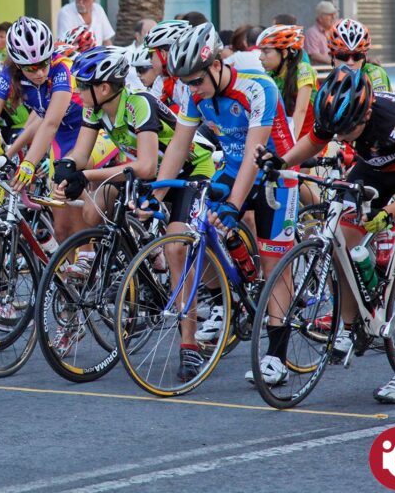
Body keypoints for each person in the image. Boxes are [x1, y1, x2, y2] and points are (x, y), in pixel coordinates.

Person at [256, 67, 395, 403]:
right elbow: (315, 140)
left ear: (366, 113)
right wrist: (282, 160)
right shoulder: (338, 115)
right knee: (338, 234)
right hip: (377, 166)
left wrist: (387, 214)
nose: (342, 139)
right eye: (337, 132)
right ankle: (350, 326)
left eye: (348, 131)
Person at [57, 46, 215, 373]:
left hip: (189, 170)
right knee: (94, 209)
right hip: (153, 172)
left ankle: (188, 343)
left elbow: (143, 166)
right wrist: (67, 167)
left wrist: (84, 175)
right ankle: (139, 268)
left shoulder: (137, 103)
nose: (77, 91)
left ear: (103, 88)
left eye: (82, 85)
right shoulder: (96, 108)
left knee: (176, 248)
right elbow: (82, 155)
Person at [153, 22, 298, 365]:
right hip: (232, 168)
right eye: (187, 83)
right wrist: (155, 196)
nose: (193, 89)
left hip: (273, 173)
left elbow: (254, 152)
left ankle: (276, 357)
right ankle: (223, 302)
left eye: (197, 81)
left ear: (217, 64)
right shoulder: (195, 93)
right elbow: (178, 146)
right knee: (192, 235)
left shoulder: (258, 88)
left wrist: (234, 204)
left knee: (274, 264)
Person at [0, 17, 87, 245]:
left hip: (89, 131)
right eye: (31, 68)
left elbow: (50, 122)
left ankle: (92, 254)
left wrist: (29, 163)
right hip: (61, 138)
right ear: (18, 65)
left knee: (79, 201)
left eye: (43, 63)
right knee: (61, 230)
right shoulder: (9, 75)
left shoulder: (62, 68)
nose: (40, 72)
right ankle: (72, 277)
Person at [257, 25, 316, 140]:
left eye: (266, 52)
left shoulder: (303, 70)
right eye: (261, 52)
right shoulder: (269, 75)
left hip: (308, 140)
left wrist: (290, 144)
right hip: (284, 138)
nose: (260, 57)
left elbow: (301, 110)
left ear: (284, 53)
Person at [327, 18, 391, 92]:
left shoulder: (374, 74)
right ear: (333, 57)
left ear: (364, 57)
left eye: (357, 56)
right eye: (343, 56)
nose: (350, 62)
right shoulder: (329, 82)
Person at [303, 1, 338, 65]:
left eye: (334, 14)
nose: (333, 17)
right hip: (320, 72)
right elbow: (314, 55)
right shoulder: (312, 33)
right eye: (329, 14)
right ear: (320, 18)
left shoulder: (336, 32)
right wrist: (335, 62)